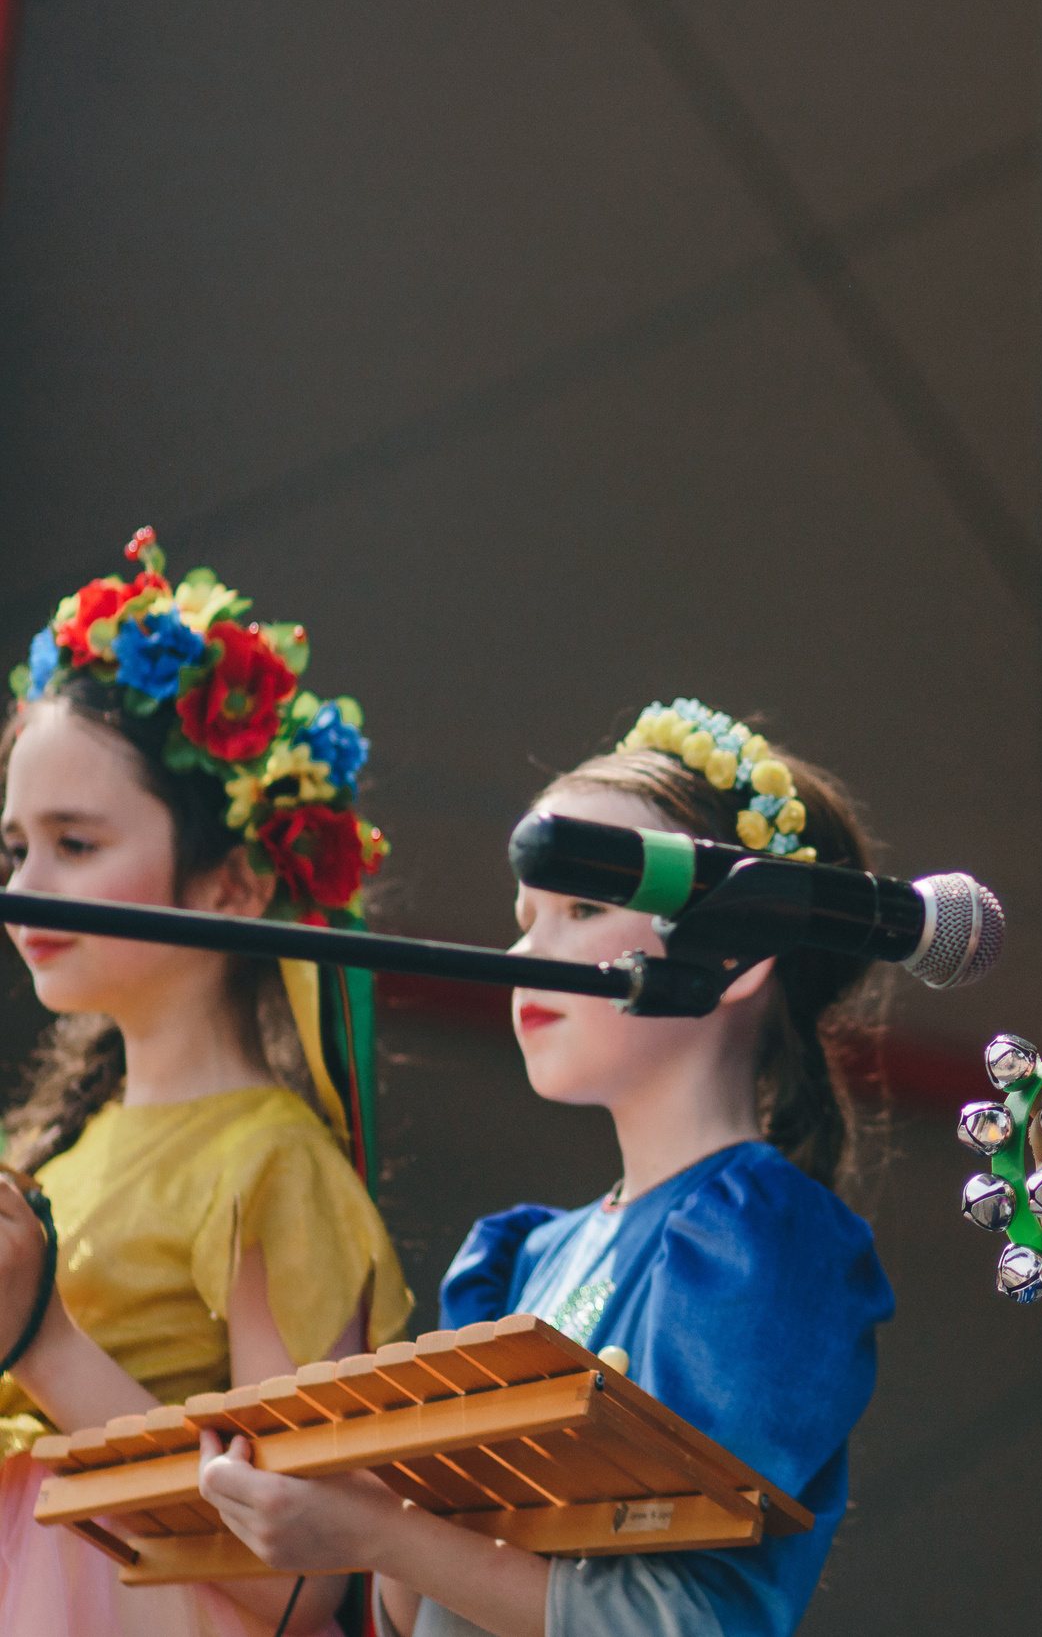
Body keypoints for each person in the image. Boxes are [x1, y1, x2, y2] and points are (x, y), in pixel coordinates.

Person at [195, 699, 896, 1637]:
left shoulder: (759, 1240)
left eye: (583, 907)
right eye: (525, 917)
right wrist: (370, 1509)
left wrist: (377, 1531)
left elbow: (677, 1624)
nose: (527, 953)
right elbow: (427, 1608)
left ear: (734, 953)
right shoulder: (523, 1256)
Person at [0, 527, 406, 1636]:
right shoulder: (55, 1157)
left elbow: (306, 1583)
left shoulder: (271, 1161)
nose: (26, 885)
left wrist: (44, 1344)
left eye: (76, 844)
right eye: (16, 848)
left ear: (233, 883)